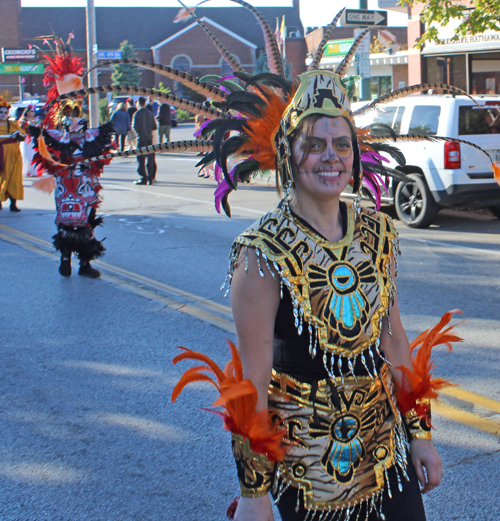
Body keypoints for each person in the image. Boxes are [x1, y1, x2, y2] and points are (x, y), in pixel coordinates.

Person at [168, 6, 478, 519]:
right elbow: (252, 379)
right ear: (289, 154)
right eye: (314, 145)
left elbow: (395, 339)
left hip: (385, 454)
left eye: (341, 144)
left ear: (355, 155)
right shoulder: (261, 252)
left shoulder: (377, 230)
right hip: (303, 469)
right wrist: (253, 494)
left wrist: (420, 435)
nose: (329, 156)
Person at [28, 34, 114, 278]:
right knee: (67, 223)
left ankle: (84, 264)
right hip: (66, 186)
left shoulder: (91, 134)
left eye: (75, 111)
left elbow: (104, 149)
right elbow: (45, 149)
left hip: (86, 186)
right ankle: (65, 260)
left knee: (88, 222)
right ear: (61, 114)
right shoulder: (56, 135)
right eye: (68, 112)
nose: (72, 116)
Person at [0, 96, 25, 211]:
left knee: (14, 179)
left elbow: (22, 135)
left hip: (14, 156)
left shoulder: (13, 124)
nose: (3, 114)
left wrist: (19, 135)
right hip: (2, 156)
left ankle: (13, 204)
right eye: (1, 112)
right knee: (1, 178)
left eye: (5, 112)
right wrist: (9, 137)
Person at [132, 96, 157, 185]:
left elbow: (136, 127)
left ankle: (143, 177)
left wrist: (139, 132)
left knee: (140, 159)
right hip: (149, 138)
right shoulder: (150, 113)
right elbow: (155, 126)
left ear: (138, 103)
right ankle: (151, 177)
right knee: (150, 158)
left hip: (141, 138)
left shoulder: (137, 114)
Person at [18, 105, 40, 177]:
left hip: (34, 139)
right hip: (25, 139)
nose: (33, 113)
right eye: (31, 111)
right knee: (25, 154)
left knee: (33, 155)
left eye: (33, 111)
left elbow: (40, 128)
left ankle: (33, 171)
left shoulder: (37, 120)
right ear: (27, 112)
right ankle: (25, 171)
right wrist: (27, 125)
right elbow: (20, 129)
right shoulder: (23, 120)